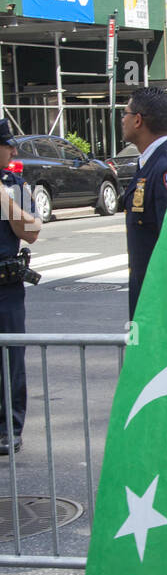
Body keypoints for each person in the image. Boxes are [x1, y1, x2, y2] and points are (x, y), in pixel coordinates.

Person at [0, 118, 42, 455]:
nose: (13, 150)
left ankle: (9, 428)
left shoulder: (14, 185)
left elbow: (31, 232)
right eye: (7, 145)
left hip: (5, 289)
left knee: (11, 360)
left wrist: (4, 199)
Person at [121, 89, 167, 316]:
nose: (123, 120)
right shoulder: (150, 164)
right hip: (148, 296)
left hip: (160, 304)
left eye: (124, 113)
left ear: (138, 120)